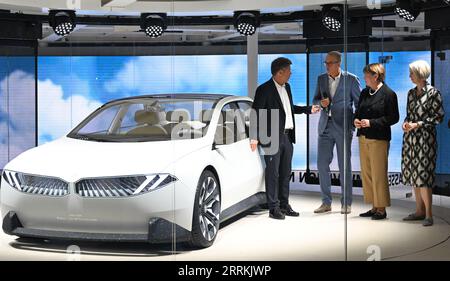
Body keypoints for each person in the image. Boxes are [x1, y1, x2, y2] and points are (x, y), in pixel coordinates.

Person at [250, 57, 320, 220]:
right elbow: (255, 113)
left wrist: (307, 109)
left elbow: (289, 109)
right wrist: (254, 137)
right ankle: (273, 208)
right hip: (272, 138)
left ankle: (284, 204)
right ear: (280, 72)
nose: (290, 74)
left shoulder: (287, 87)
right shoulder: (264, 89)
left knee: (285, 172)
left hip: (288, 137)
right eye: (289, 71)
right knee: (273, 173)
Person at [312, 51, 361, 215]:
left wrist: (352, 125)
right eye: (325, 63)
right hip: (325, 126)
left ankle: (346, 203)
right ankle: (326, 202)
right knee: (321, 164)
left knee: (344, 166)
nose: (326, 66)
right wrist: (321, 102)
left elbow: (359, 104)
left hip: (343, 127)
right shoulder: (321, 79)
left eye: (330, 63)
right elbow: (315, 100)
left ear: (338, 63)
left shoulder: (351, 79)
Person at [401, 60, 445, 227]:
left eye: (412, 73)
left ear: (420, 74)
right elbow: (409, 114)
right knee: (414, 175)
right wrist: (406, 123)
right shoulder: (411, 93)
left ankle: (429, 214)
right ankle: (419, 211)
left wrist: (417, 124)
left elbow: (438, 117)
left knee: (424, 176)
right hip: (410, 140)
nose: (410, 76)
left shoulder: (434, 93)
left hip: (425, 140)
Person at [355, 63, 399, 220]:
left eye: (367, 75)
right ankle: (374, 206)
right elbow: (358, 111)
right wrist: (356, 120)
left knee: (379, 174)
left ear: (376, 76)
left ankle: (381, 209)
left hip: (379, 139)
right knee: (367, 174)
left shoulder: (389, 94)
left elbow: (393, 118)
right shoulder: (365, 92)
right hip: (363, 137)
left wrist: (371, 123)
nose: (364, 78)